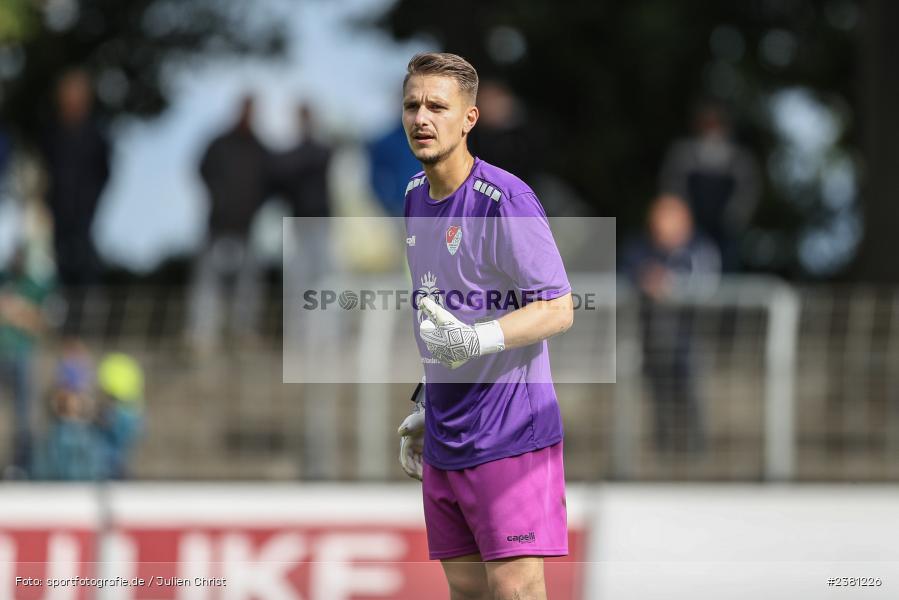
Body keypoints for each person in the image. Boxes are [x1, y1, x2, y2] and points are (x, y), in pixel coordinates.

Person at [396, 53, 573, 600]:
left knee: (515, 589)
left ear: (470, 118)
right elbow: (442, 311)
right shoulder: (412, 199)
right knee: (467, 592)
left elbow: (558, 307)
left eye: (437, 106)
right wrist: (428, 403)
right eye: (412, 105)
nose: (422, 118)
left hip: (510, 431)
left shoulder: (506, 199)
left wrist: (480, 338)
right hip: (448, 434)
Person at [621, 194, 721, 455]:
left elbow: (707, 280)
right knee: (659, 397)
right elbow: (628, 271)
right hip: (652, 339)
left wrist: (672, 285)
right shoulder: (640, 248)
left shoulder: (700, 248)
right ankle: (664, 452)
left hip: (689, 338)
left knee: (691, 395)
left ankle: (697, 451)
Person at [188, 95, 269, 353]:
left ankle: (242, 334)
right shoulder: (219, 144)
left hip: (246, 227)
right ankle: (203, 335)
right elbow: (202, 170)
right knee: (208, 284)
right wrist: (219, 197)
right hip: (217, 225)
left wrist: (254, 204)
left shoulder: (260, 148)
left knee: (247, 286)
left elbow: (270, 182)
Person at [39, 69, 110, 334]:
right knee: (60, 267)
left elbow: (104, 173)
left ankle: (88, 327)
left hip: (84, 214)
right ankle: (61, 327)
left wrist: (91, 201)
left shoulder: (96, 135)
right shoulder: (51, 133)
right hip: (58, 213)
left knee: (85, 267)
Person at [659, 101, 760, 271]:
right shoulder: (683, 155)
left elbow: (748, 192)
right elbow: (672, 188)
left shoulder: (739, 159)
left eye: (716, 123)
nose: (712, 130)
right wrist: (680, 218)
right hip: (688, 229)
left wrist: (734, 217)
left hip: (726, 232)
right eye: (707, 124)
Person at [0, 247, 51, 478]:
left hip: (22, 355)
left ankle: (22, 466)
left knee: (24, 415)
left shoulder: (35, 287)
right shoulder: (4, 279)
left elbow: (43, 323)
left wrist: (19, 312)